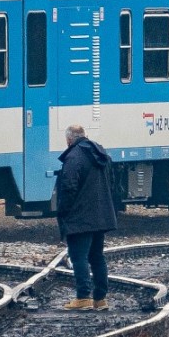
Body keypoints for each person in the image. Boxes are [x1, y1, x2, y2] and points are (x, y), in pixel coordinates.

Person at [55, 123, 118, 311]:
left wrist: (63, 212)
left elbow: (68, 187)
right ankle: (100, 299)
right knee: (97, 256)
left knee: (79, 257)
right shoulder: (101, 154)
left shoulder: (74, 157)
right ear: (85, 135)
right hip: (101, 215)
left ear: (69, 139)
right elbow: (113, 182)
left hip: (80, 217)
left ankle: (83, 298)